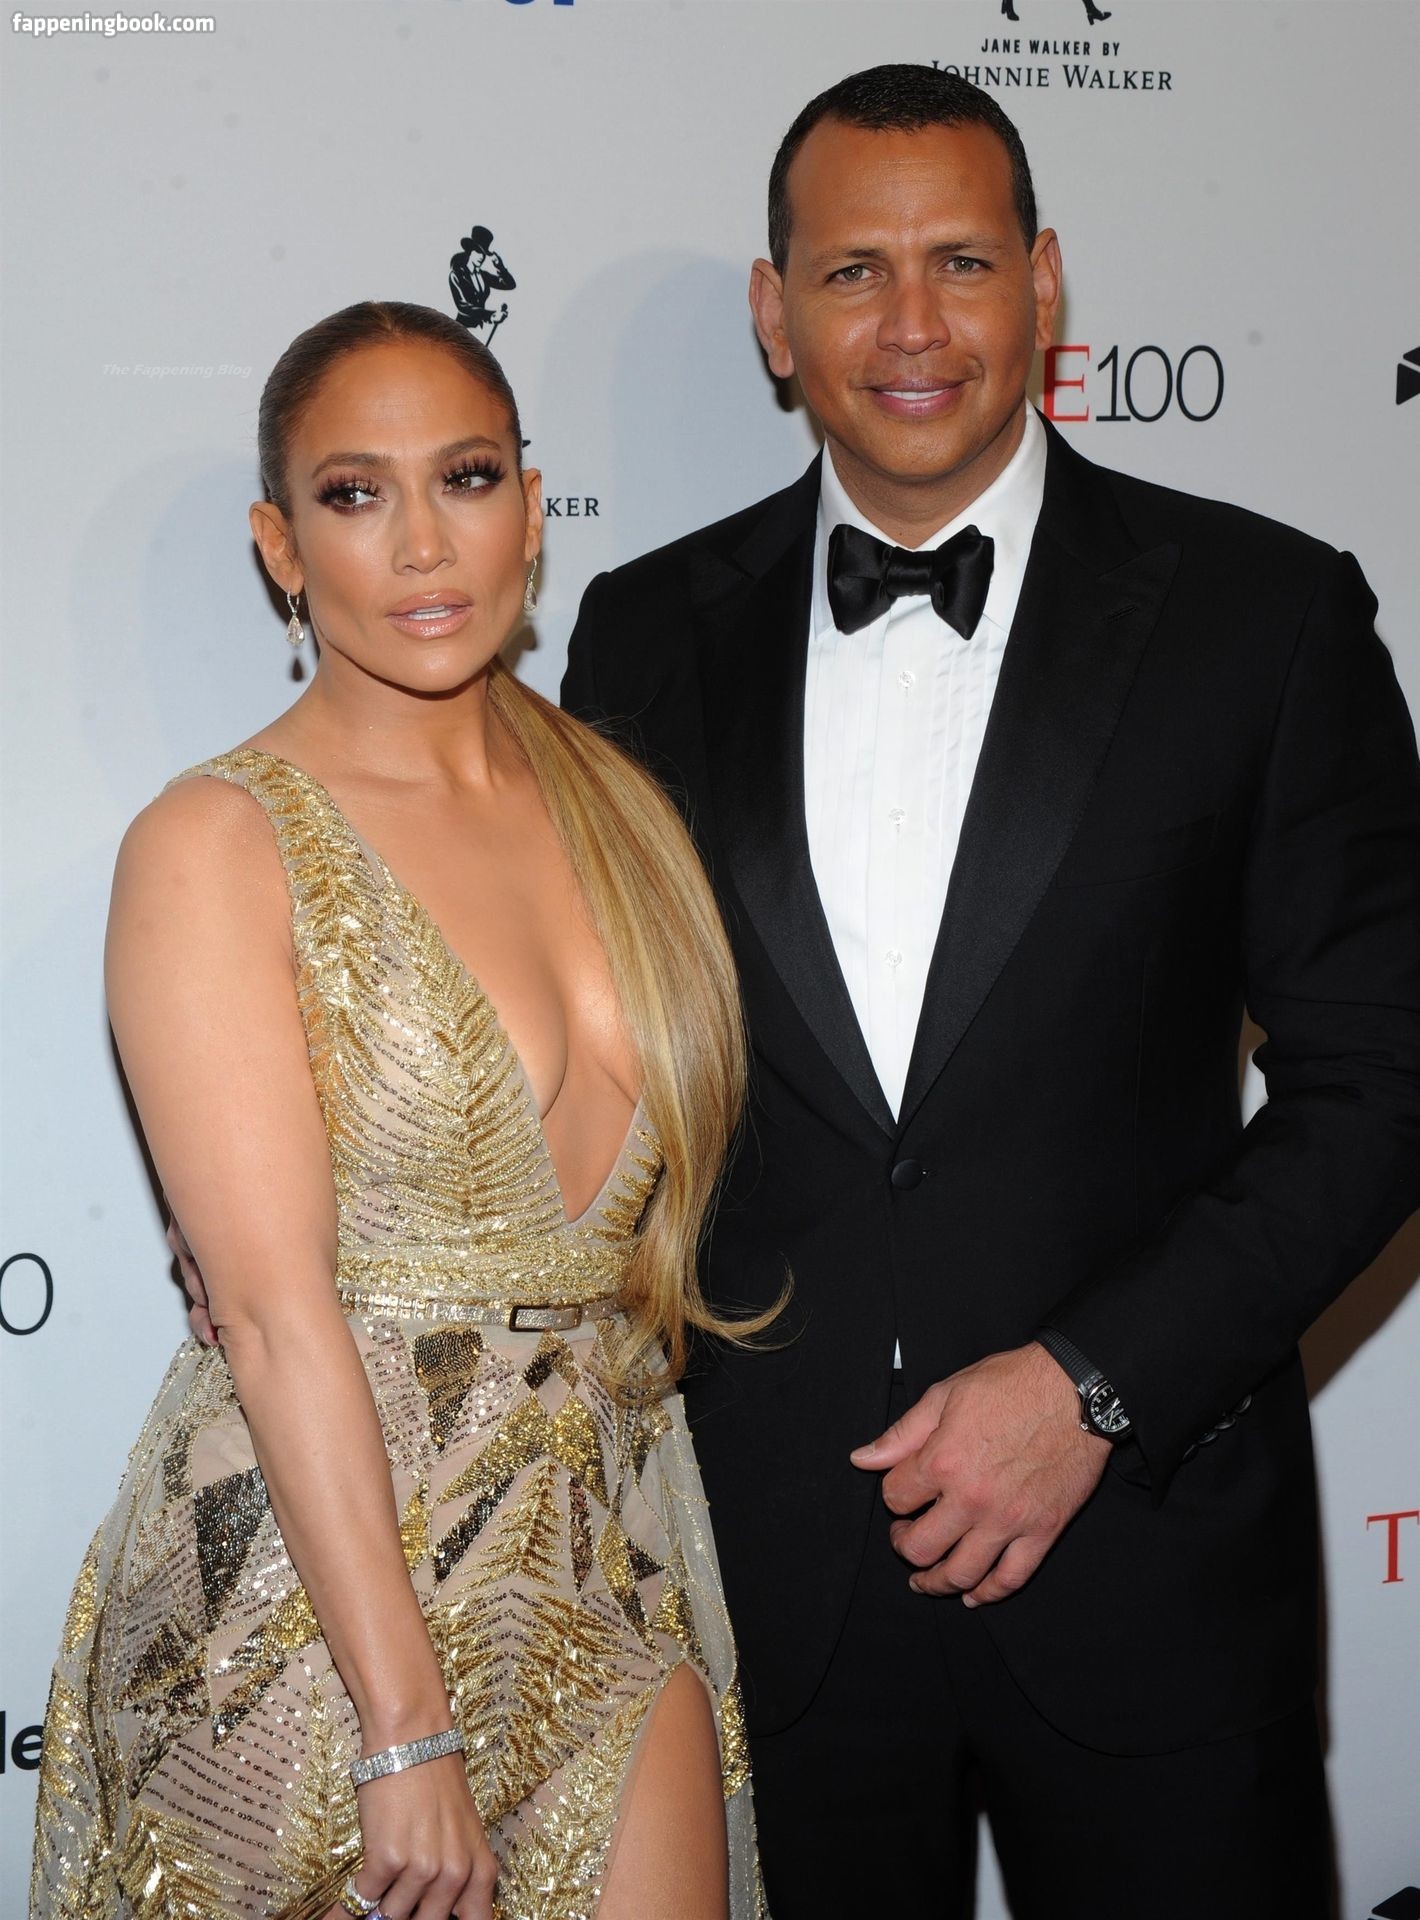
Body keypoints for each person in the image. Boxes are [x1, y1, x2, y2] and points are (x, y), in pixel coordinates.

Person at [559, 65, 1420, 1920]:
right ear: (775, 314)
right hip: (763, 1586)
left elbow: (1385, 1080)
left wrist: (1094, 1388)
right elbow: (583, 1064)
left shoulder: (1265, 618)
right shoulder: (640, 631)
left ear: (1045, 283)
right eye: (852, 272)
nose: (913, 324)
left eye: (960, 261)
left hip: (1152, 1569)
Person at [29, 301, 769, 1920]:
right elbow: (272, 1313)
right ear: (279, 548)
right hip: (305, 1608)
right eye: (355, 494)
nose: (424, 544)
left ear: (532, 507)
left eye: (468, 477)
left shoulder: (625, 812)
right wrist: (404, 1725)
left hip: (608, 1549)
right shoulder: (216, 843)